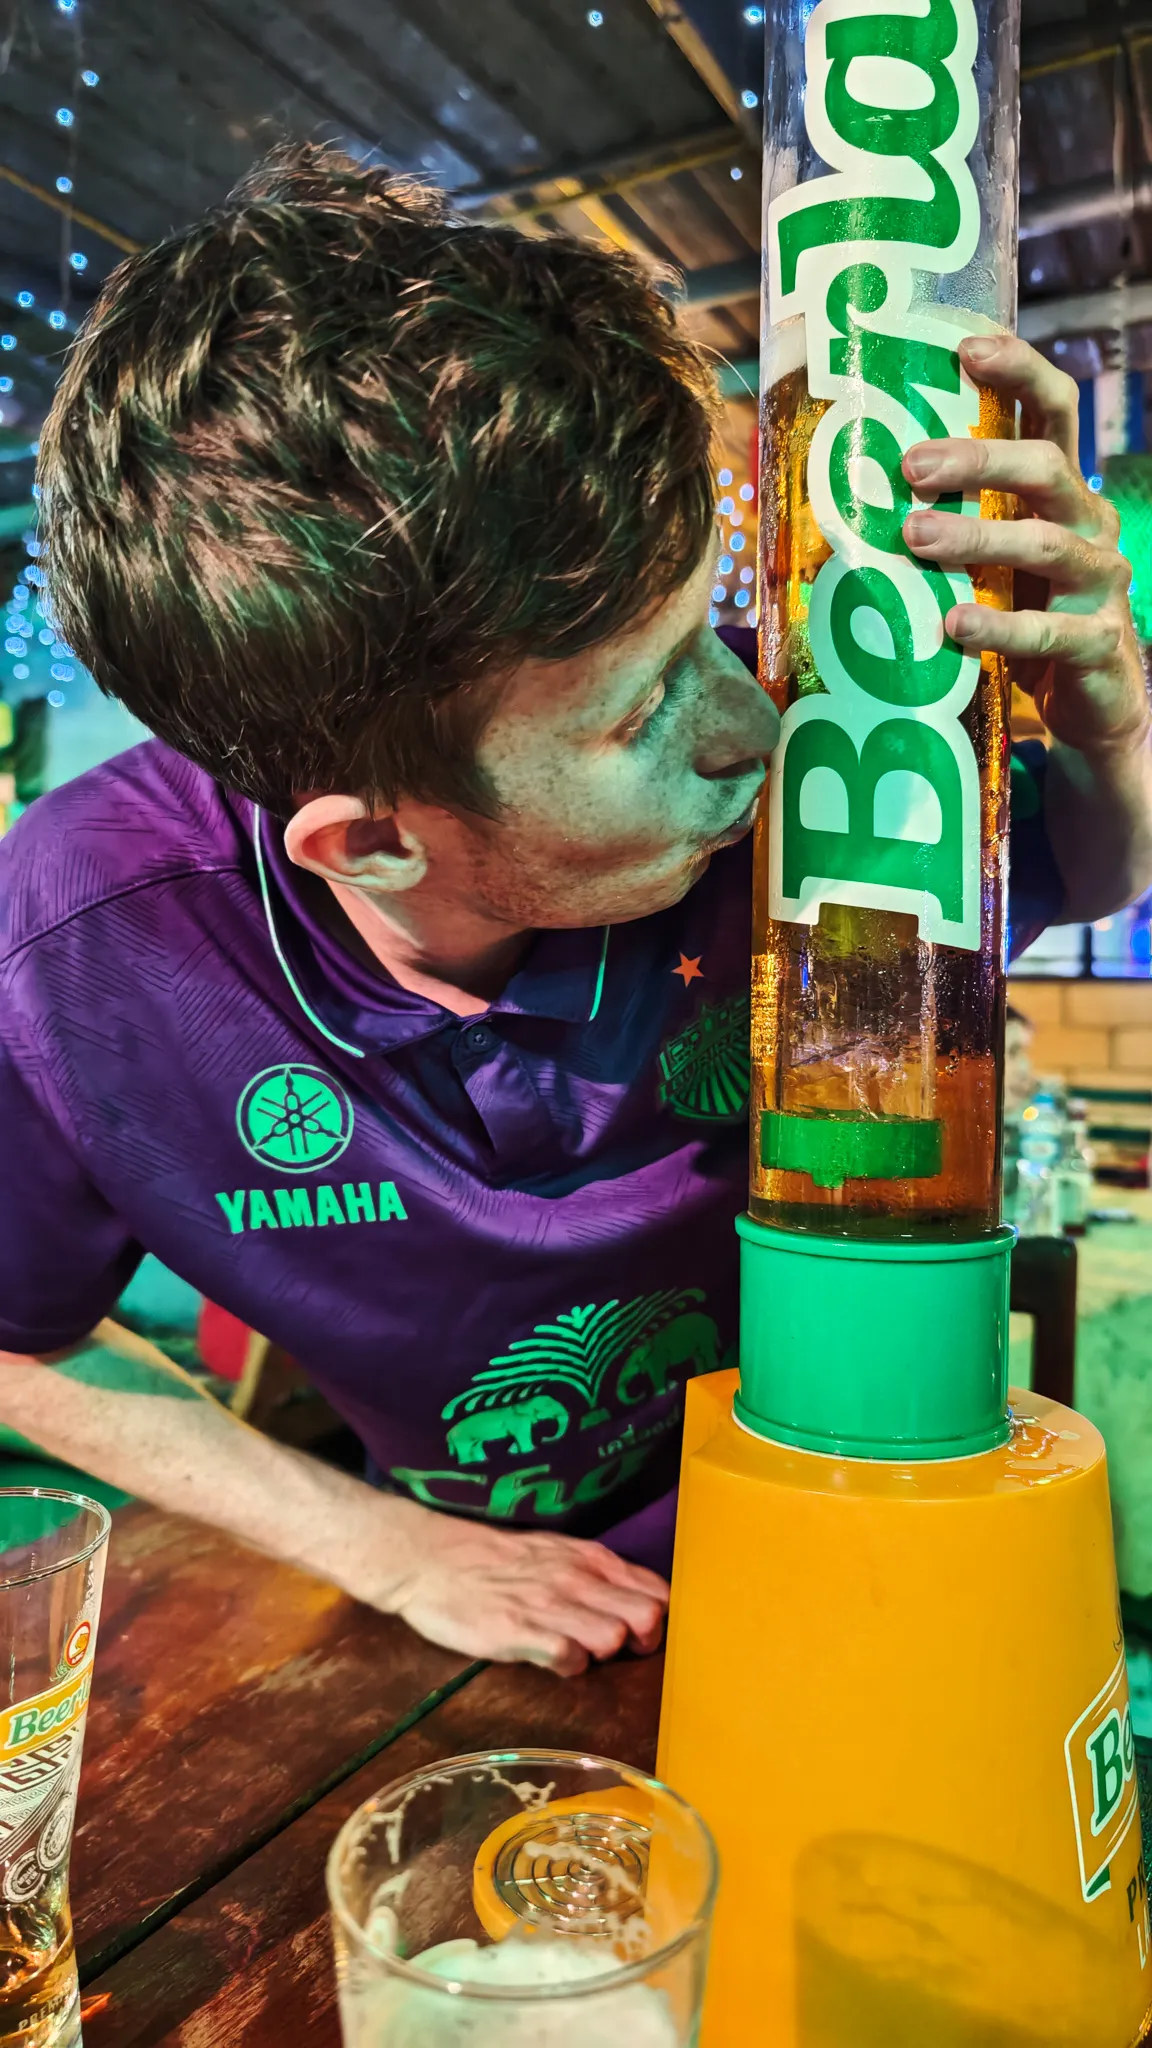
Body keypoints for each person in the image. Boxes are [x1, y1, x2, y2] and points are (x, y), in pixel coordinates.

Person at [1, 148, 1150, 1679]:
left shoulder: (790, 747)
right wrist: (392, 1550)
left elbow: (1092, 868)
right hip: (506, 1631)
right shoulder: (84, 940)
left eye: (708, 627)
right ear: (373, 843)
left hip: (847, 1507)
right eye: (641, 709)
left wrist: (1113, 724)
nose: (753, 724)